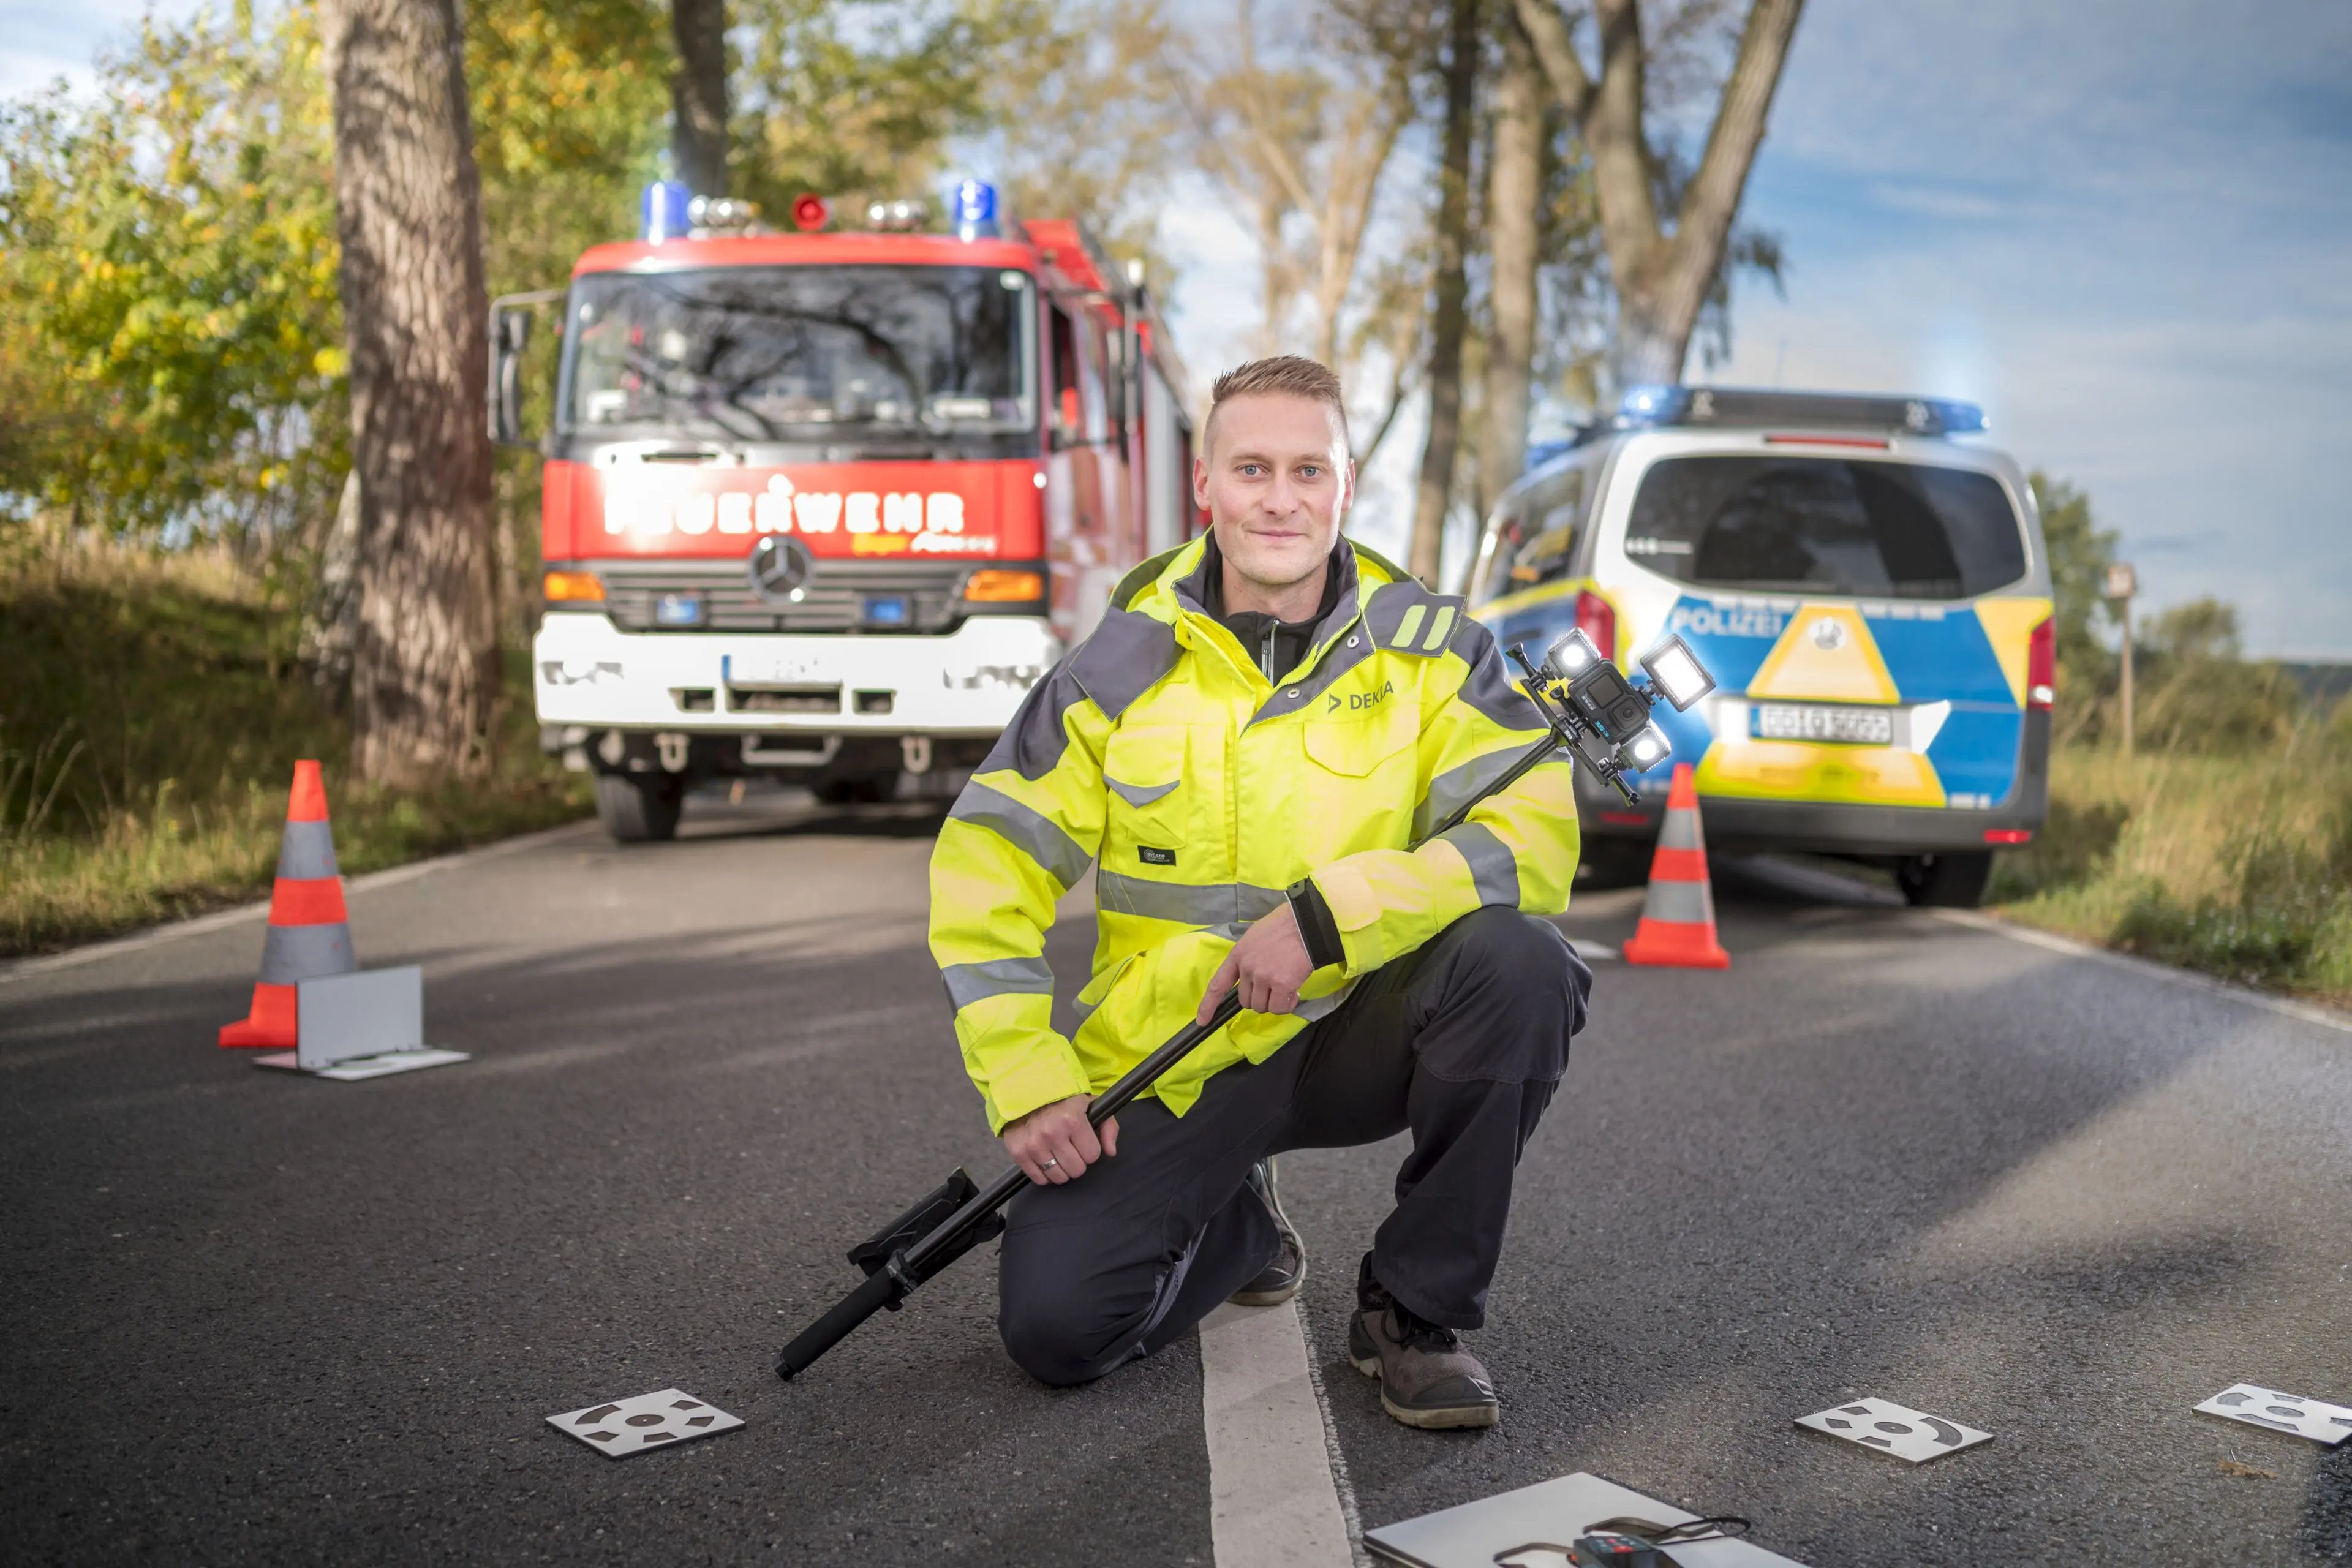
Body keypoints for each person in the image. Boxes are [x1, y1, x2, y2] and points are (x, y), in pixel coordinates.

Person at [927, 354, 1589, 1430]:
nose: (1280, 498)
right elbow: (984, 864)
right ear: (1205, 486)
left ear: (1346, 482)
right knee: (1056, 1334)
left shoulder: (1435, 652)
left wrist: (1329, 920)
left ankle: (1410, 1314)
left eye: (1307, 471)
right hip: (1180, 1054)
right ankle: (1235, 1222)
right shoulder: (1114, 667)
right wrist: (1027, 1078)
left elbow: (1527, 841)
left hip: (1358, 1029)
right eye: (1251, 469)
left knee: (1524, 966)